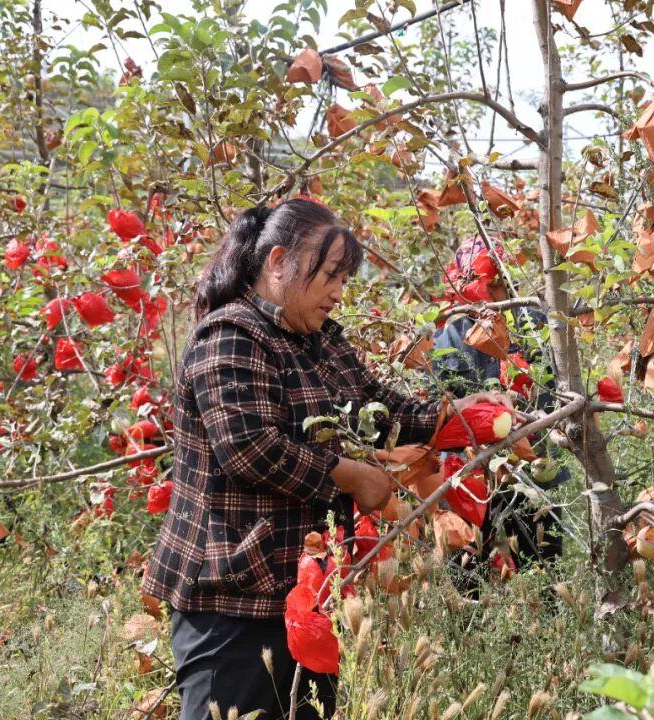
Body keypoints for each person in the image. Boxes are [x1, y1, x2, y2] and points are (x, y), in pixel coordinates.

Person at [141, 199, 511, 720]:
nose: (338, 292)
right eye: (330, 275)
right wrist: (351, 476)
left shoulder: (319, 341)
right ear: (278, 262)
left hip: (308, 592)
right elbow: (248, 448)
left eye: (344, 278)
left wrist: (460, 415)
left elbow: (379, 408)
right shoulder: (231, 337)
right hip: (231, 598)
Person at [432, 236, 569, 581]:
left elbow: (557, 392)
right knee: (467, 572)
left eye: (495, 284)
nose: (488, 294)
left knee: (544, 565)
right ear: (462, 285)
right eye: (479, 284)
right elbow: (439, 410)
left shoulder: (534, 325)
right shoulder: (447, 338)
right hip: (469, 474)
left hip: (530, 465)